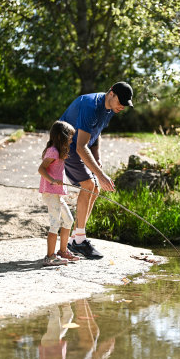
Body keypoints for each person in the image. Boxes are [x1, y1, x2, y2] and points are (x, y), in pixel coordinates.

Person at [60, 81, 133, 259]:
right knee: (89, 183)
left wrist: (97, 157)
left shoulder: (109, 109)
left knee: (95, 188)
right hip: (66, 146)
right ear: (111, 93)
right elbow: (80, 147)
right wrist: (101, 175)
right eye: (120, 101)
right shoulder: (91, 106)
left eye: (125, 103)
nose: (122, 106)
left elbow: (96, 132)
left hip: (80, 145)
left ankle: (76, 239)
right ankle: (79, 241)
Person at [38, 120, 82, 266]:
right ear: (60, 136)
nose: (71, 139)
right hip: (50, 193)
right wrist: (52, 180)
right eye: (69, 136)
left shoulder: (59, 151)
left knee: (68, 220)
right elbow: (41, 169)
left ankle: (62, 251)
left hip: (56, 193)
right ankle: (49, 257)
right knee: (55, 223)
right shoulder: (53, 151)